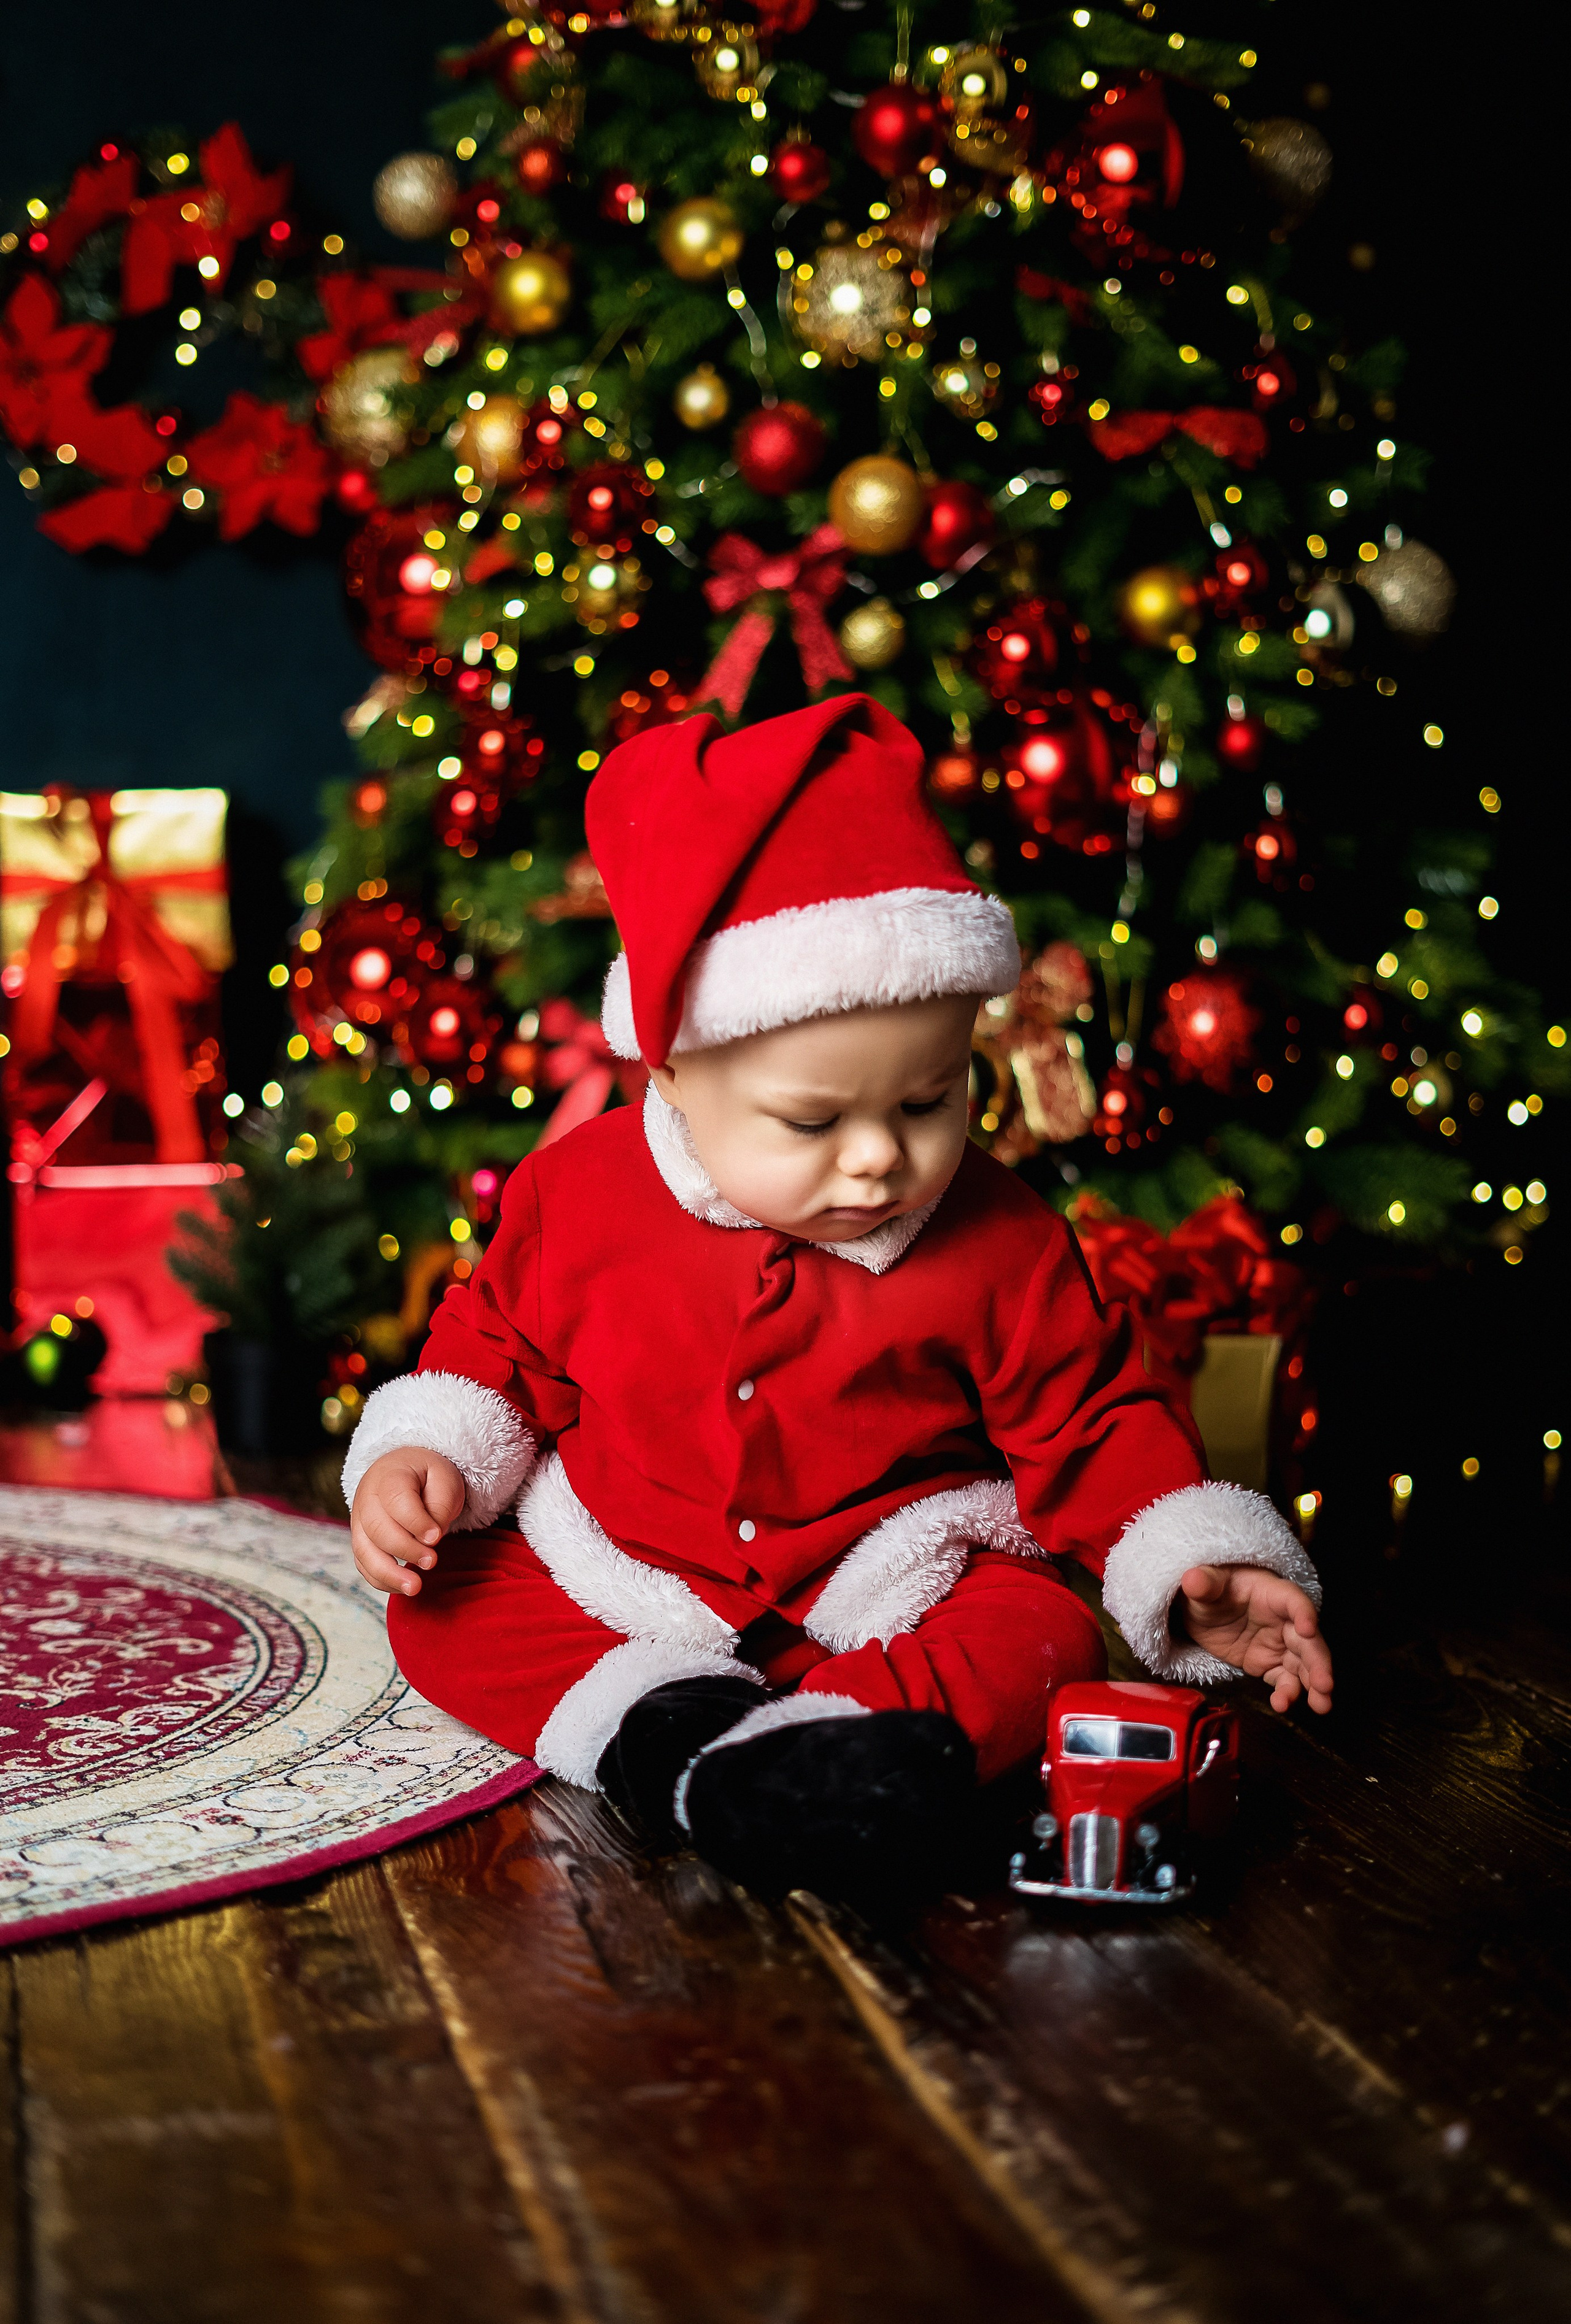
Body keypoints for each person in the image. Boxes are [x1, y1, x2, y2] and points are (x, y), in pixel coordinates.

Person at [345, 696, 1332, 1904]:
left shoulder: (1000, 1236)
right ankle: (683, 1736)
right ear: (669, 1067)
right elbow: (492, 1355)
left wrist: (1190, 1563)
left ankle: (832, 1745)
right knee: (439, 1601)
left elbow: (1087, 1418)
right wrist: (427, 1456)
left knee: (1043, 1636)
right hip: (632, 1568)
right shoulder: (579, 1193)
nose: (877, 1159)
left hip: (879, 1585)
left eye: (926, 1101)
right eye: (813, 1122)